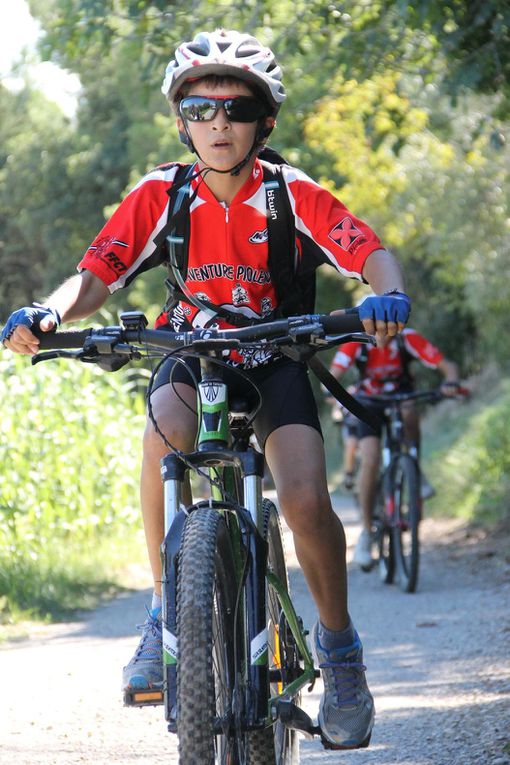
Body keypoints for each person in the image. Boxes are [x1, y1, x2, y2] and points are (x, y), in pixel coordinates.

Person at [0, 29, 412, 749]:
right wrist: (51, 310)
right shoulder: (164, 192)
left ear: (266, 120)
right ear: (181, 118)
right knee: (163, 424)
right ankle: (166, 611)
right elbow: (98, 273)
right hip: (193, 353)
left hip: (279, 354)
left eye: (237, 107)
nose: (219, 122)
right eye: (201, 106)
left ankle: (342, 652)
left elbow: (370, 253)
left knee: (309, 500)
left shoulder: (293, 194)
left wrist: (387, 297)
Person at [329, 326, 460, 571]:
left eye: (387, 324)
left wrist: (451, 382)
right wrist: (332, 392)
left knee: (410, 412)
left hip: (402, 399)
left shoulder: (408, 338)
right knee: (369, 460)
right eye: (375, 325)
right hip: (368, 403)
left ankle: (414, 468)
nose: (382, 331)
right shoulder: (357, 341)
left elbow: (447, 366)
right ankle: (367, 533)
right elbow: (333, 374)